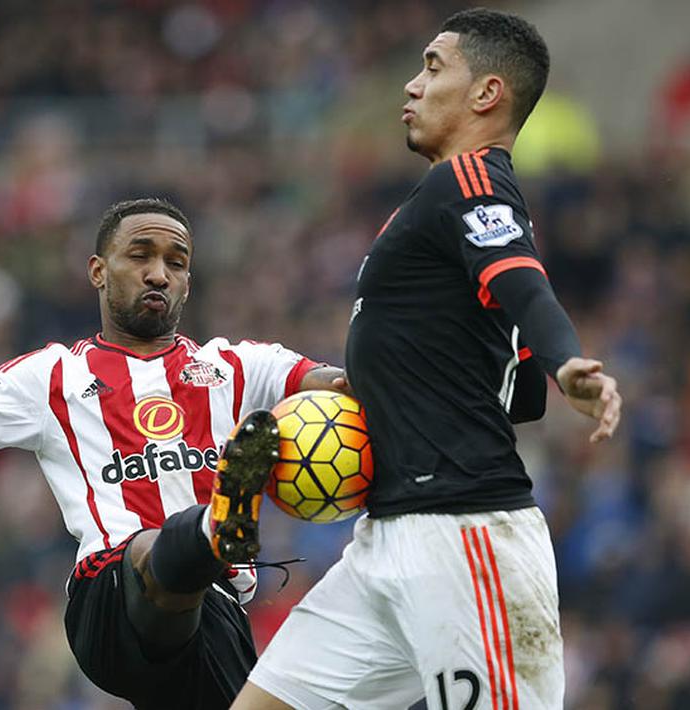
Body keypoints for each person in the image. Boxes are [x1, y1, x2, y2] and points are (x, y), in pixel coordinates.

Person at [232, 9, 623, 710]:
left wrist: (567, 362)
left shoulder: (471, 179)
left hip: (462, 537)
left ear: (486, 94)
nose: (411, 85)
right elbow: (517, 393)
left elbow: (522, 284)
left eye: (433, 67)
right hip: (385, 540)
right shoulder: (440, 204)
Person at [0, 198, 347, 709]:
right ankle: (210, 530)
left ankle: (206, 538)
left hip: (215, 613)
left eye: (176, 262)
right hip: (110, 593)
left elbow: (338, 388)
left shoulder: (239, 367)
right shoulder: (50, 376)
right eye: (140, 255)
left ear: (188, 281)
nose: (159, 273)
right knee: (152, 548)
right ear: (98, 271)